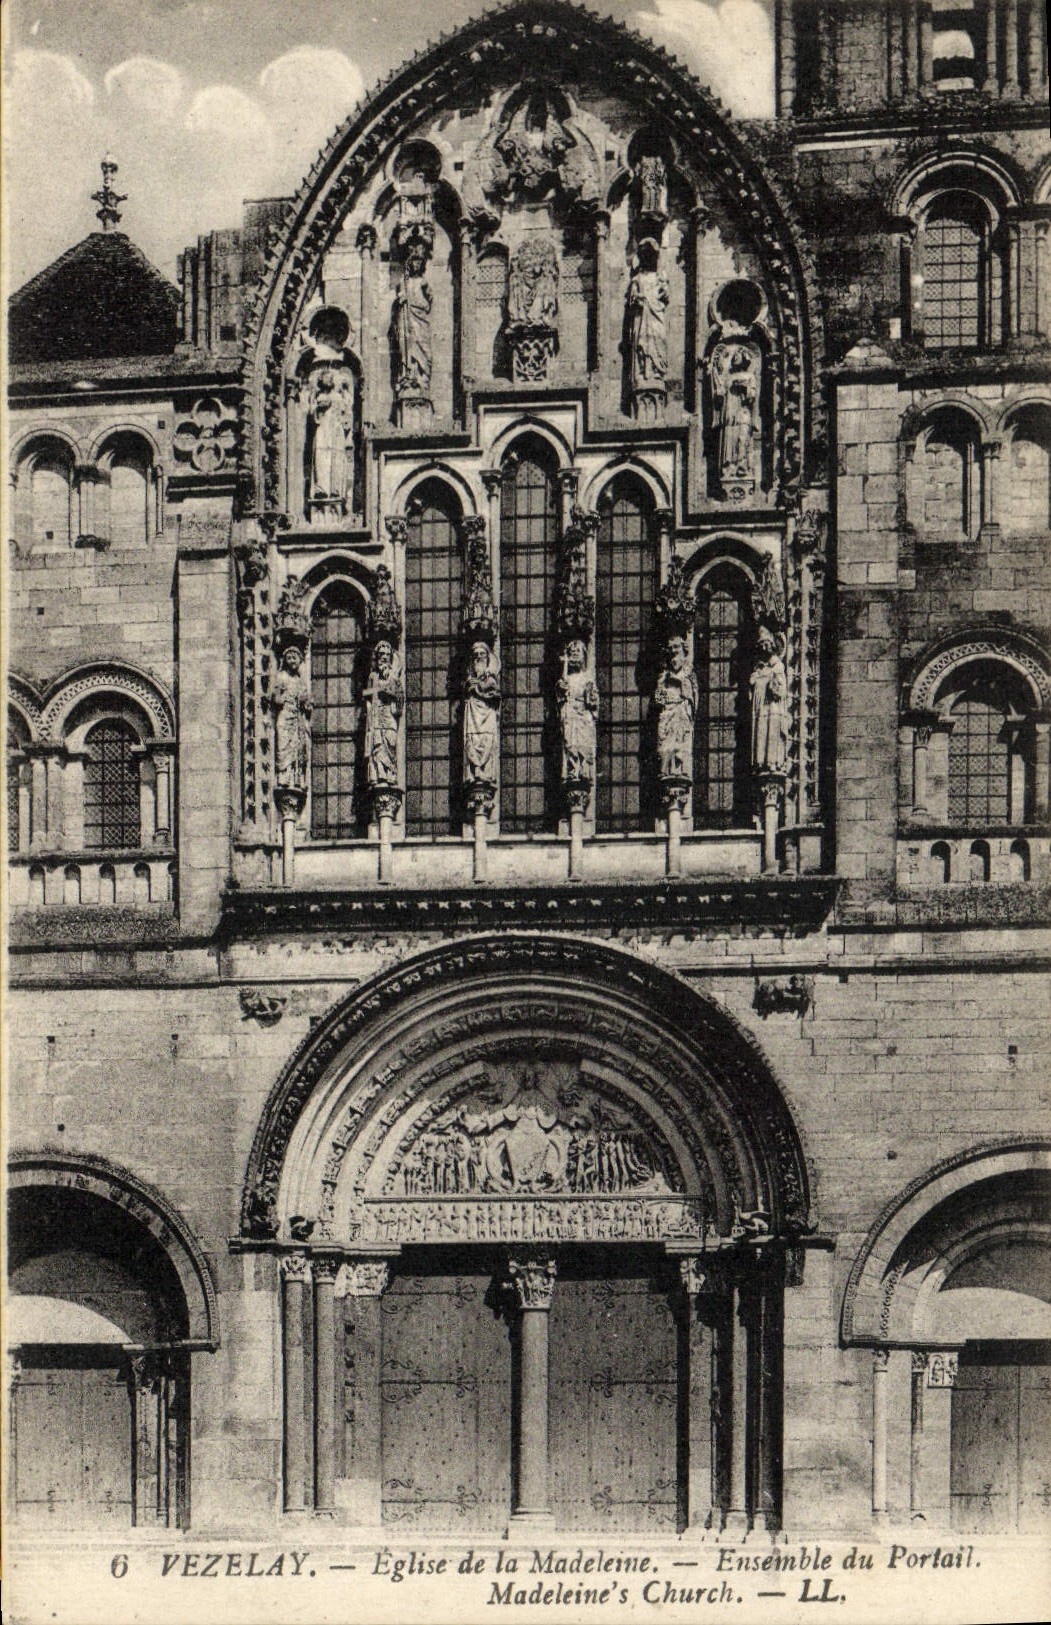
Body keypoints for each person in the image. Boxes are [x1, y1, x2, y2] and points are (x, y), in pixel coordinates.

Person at [627, 238, 669, 403]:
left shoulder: (660, 277)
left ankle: (656, 373)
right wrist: (638, 298)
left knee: (658, 340)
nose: (648, 257)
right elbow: (632, 298)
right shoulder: (637, 279)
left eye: (651, 254)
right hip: (642, 316)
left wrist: (664, 292)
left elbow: (666, 296)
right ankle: (644, 373)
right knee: (642, 346)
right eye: (645, 254)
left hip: (656, 315)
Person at [392, 245, 433, 400]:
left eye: (419, 262)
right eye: (414, 262)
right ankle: (408, 376)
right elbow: (400, 296)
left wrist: (421, 305)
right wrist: (402, 299)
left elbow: (430, 299)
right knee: (407, 347)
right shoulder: (404, 281)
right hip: (407, 318)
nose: (416, 264)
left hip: (419, 318)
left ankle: (422, 378)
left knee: (423, 348)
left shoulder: (423, 282)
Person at [654, 635, 698, 779]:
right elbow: (658, 697)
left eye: (677, 647)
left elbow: (692, 697)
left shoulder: (688, 674)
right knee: (665, 746)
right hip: (667, 713)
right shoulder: (664, 676)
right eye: (671, 648)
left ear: (683, 650)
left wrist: (681, 685)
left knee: (680, 746)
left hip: (681, 711)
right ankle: (667, 771)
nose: (673, 650)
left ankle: (679, 771)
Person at [270, 643, 312, 792]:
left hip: (296, 718)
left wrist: (306, 703)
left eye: (295, 658)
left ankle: (296, 780)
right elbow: (276, 698)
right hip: (285, 716)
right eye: (290, 658)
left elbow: (307, 703)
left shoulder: (300, 680)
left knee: (297, 748)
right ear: (285, 660)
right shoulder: (281, 676)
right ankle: (283, 778)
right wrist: (282, 697)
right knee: (284, 746)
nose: (293, 661)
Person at [557, 639, 599, 780]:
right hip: (569, 714)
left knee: (583, 744)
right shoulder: (566, 679)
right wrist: (561, 691)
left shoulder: (587, 678)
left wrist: (590, 697)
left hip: (582, 716)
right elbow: (560, 699)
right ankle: (572, 769)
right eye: (571, 653)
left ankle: (583, 769)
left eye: (577, 652)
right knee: (570, 744)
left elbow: (593, 702)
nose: (574, 655)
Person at [364, 640, 403, 786]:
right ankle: (379, 774)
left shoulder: (394, 678)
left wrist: (391, 691)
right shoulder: (373, 677)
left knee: (390, 742)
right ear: (377, 657)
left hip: (389, 715)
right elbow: (367, 693)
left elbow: (399, 696)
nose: (384, 657)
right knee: (378, 745)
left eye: (387, 655)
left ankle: (390, 774)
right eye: (381, 655)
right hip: (376, 715)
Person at [750, 627, 789, 773]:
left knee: (772, 731)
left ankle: (772, 762)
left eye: (767, 644)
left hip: (773, 707)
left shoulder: (778, 666)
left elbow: (781, 689)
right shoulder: (759, 668)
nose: (764, 648)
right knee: (761, 731)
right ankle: (761, 762)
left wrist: (773, 680)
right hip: (761, 708)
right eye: (762, 645)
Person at [463, 641, 501, 785]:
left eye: (482, 654)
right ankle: (475, 771)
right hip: (473, 713)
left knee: (486, 740)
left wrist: (477, 688)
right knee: (472, 741)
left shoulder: (491, 678)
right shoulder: (470, 679)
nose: (479, 657)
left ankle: (486, 771)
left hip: (486, 713)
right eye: (476, 655)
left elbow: (494, 692)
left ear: (487, 657)